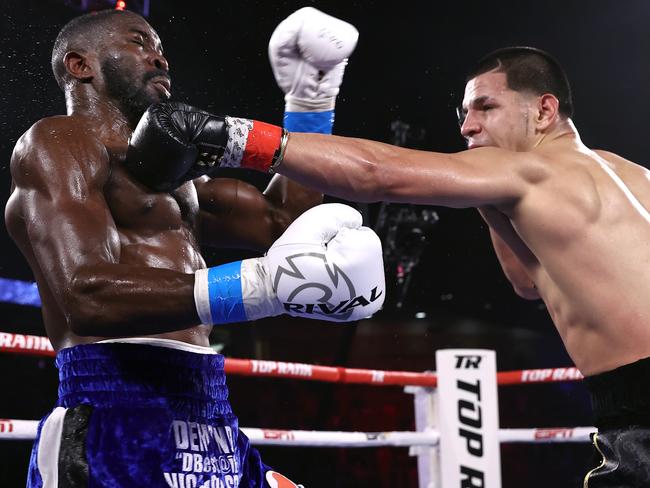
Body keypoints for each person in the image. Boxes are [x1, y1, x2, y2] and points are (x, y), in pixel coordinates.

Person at [165, 46, 650, 486]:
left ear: (543, 110)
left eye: (486, 106)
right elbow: (528, 283)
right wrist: (484, 198)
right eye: (464, 113)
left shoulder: (532, 170)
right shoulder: (633, 175)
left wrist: (234, 137)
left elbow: (376, 173)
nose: (467, 126)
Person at [5, 7, 384, 488]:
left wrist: (311, 95)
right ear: (82, 66)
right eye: (139, 42)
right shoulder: (57, 141)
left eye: (161, 48)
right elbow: (86, 297)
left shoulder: (179, 178)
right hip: (116, 406)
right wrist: (263, 287)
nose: (160, 58)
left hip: (208, 403)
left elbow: (281, 222)